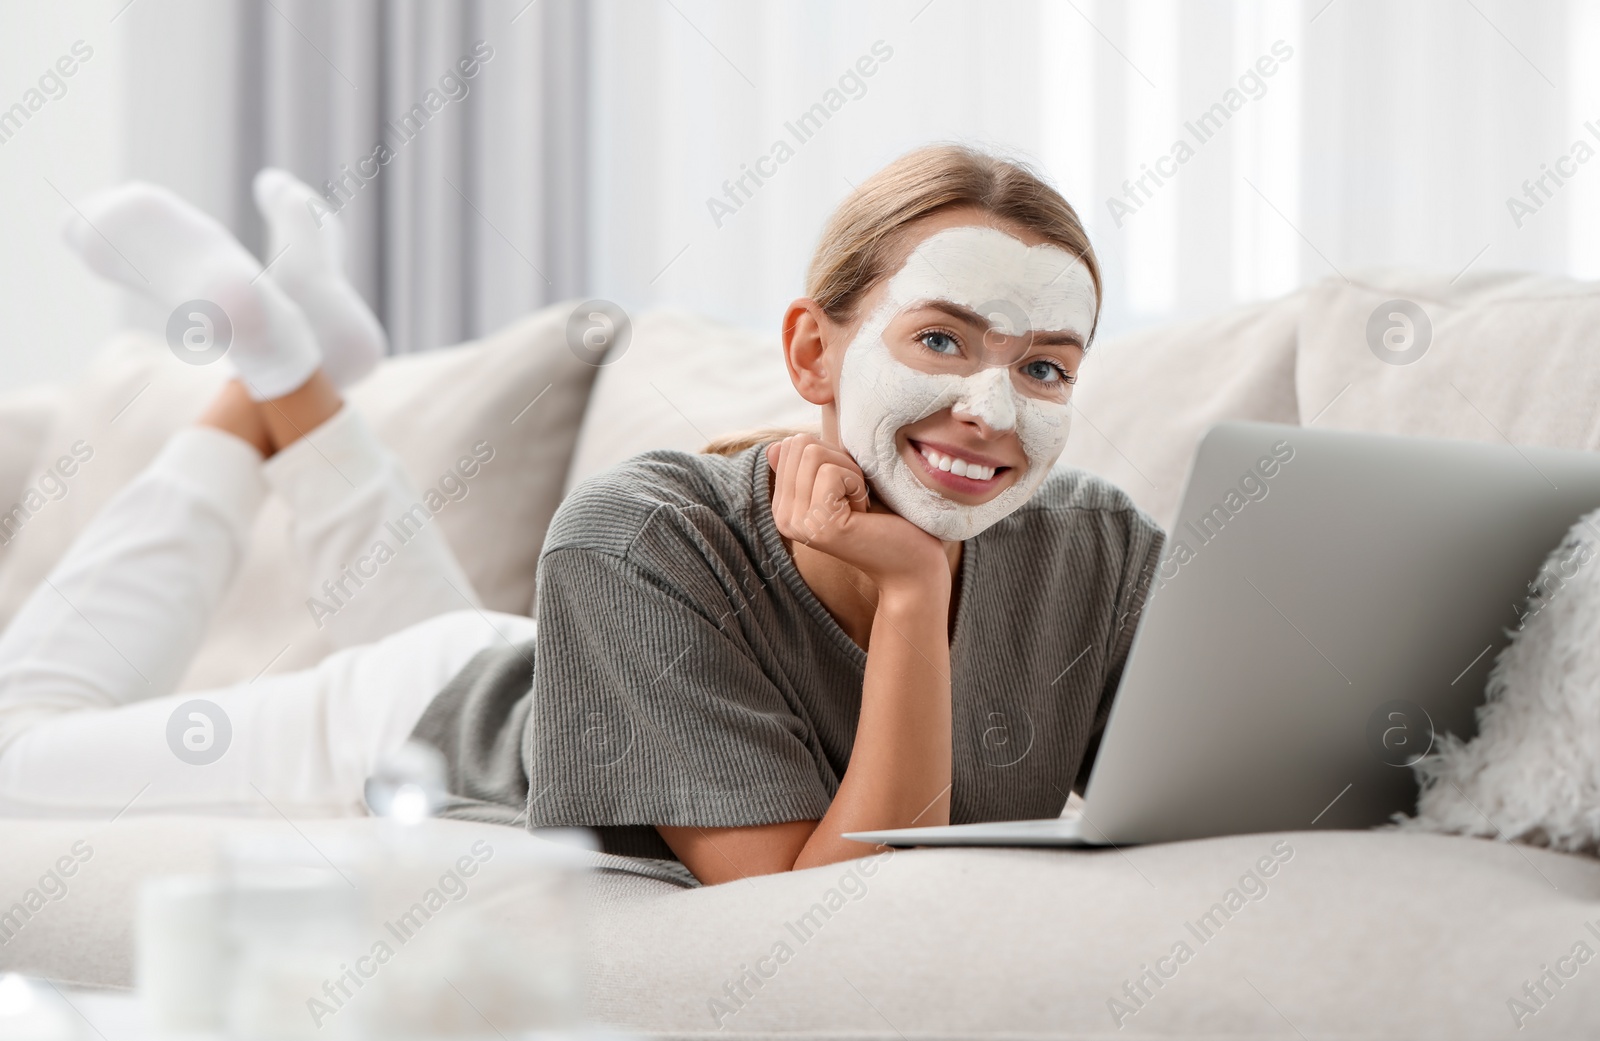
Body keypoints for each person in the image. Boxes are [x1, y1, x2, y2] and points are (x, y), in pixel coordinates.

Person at [0, 145, 1164, 888]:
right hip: (407, 726)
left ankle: (283, 365)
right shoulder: (635, 529)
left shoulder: (1093, 546)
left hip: (546, 666)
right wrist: (912, 593)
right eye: (941, 339)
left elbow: (1206, 768)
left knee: (447, 629)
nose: (988, 409)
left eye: (1047, 368)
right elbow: (821, 909)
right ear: (815, 348)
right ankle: (260, 364)